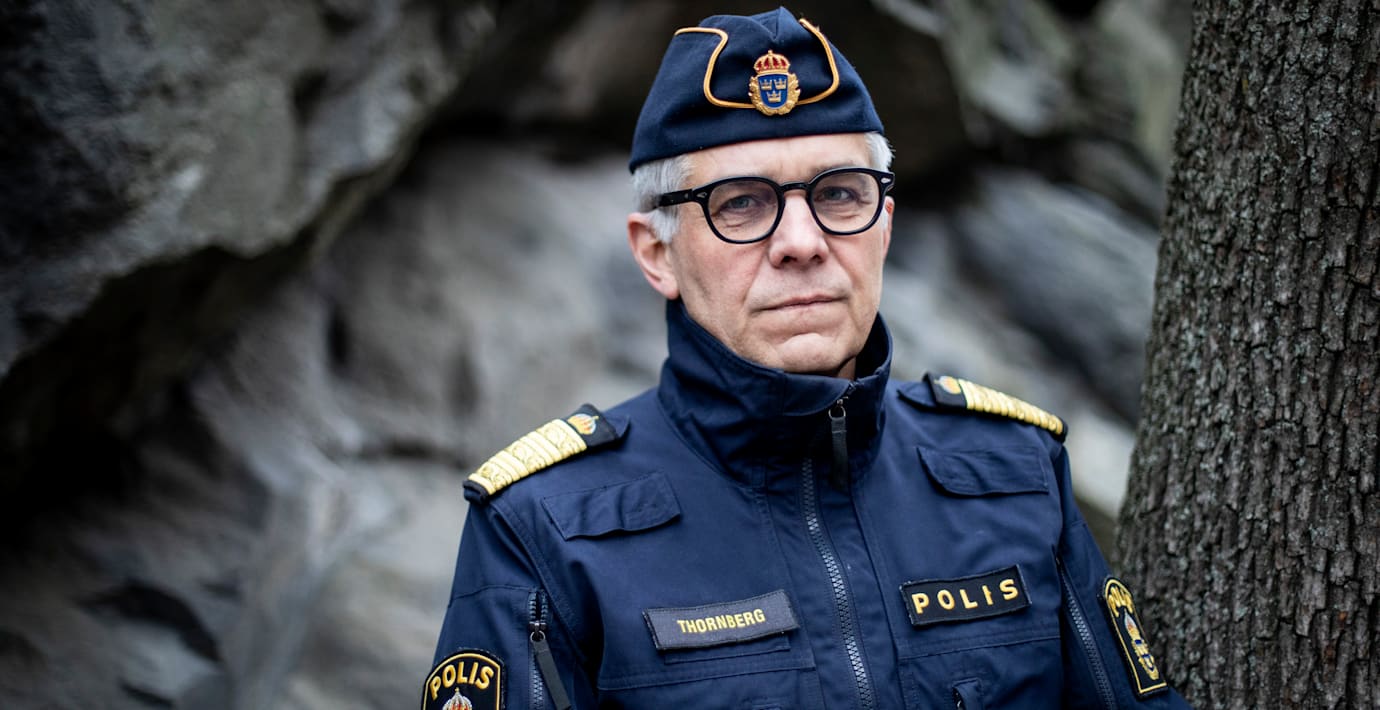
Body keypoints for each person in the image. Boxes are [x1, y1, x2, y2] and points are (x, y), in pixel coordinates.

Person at [425, 7, 1192, 709]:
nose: (802, 242)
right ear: (657, 253)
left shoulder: (1015, 474)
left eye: (839, 195)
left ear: (884, 224)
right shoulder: (544, 528)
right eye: (741, 203)